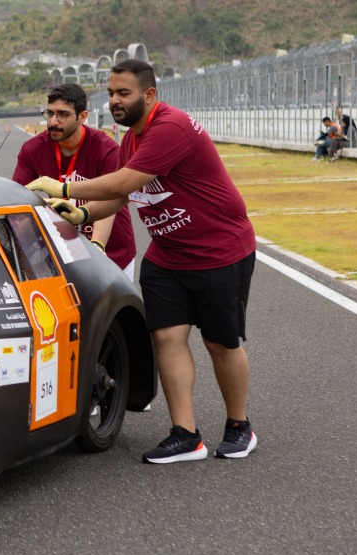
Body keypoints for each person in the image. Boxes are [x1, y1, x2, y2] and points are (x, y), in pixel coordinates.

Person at [27, 59, 258, 464]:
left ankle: (239, 425)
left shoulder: (170, 127)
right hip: (168, 254)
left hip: (219, 250)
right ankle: (186, 435)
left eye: (123, 93)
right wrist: (83, 214)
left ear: (149, 94)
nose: (113, 100)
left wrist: (63, 185)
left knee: (220, 343)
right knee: (167, 338)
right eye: (111, 93)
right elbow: (123, 195)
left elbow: (124, 182)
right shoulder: (131, 138)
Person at [13, 84, 137, 276]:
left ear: (82, 116)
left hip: (111, 254)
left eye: (62, 114)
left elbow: (111, 198)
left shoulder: (107, 150)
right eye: (50, 113)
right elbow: (17, 202)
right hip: (61, 254)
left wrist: (97, 245)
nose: (53, 121)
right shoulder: (32, 150)